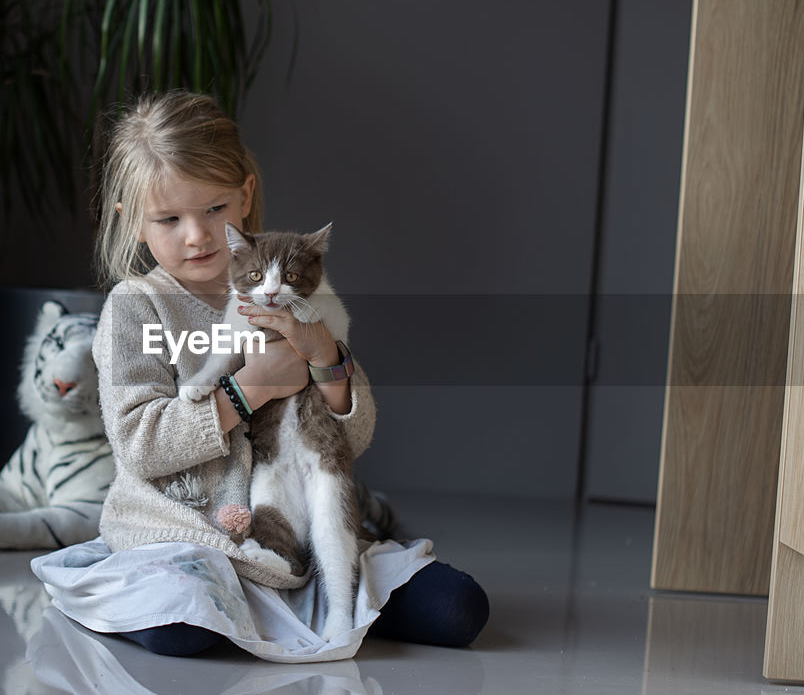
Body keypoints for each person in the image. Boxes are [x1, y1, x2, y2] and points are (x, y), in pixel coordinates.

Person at [29, 90, 489, 661]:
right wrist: (252, 389)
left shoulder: (289, 285)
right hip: (185, 539)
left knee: (458, 608)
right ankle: (210, 597)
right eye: (169, 219)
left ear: (245, 197)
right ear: (132, 221)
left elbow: (353, 435)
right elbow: (140, 443)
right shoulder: (136, 308)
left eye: (214, 210)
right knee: (187, 626)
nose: (196, 235)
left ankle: (301, 586)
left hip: (290, 533)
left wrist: (325, 358)